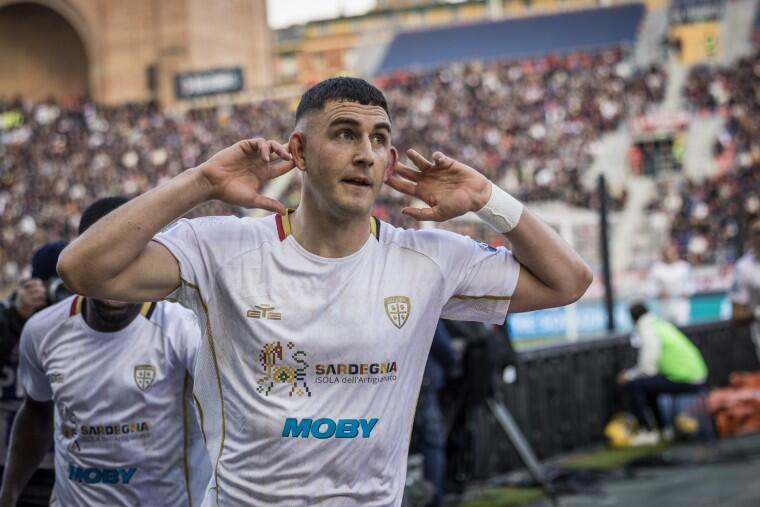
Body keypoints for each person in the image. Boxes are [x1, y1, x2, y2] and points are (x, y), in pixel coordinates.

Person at [57, 77, 592, 506]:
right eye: (344, 134)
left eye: (378, 140)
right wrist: (200, 182)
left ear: (389, 160)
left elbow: (568, 281)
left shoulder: (427, 259)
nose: (365, 154)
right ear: (299, 150)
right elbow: (84, 271)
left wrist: (487, 198)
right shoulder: (220, 248)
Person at [0, 197, 210, 507]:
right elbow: (37, 411)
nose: (115, 278)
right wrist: (8, 493)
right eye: (103, 260)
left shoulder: (184, 329)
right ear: (79, 260)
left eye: (130, 259)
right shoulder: (42, 331)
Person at [0, 242, 68, 475]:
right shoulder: (8, 313)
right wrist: (16, 316)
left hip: (62, 462)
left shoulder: (83, 317)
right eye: (56, 286)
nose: (61, 294)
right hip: (5, 460)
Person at [618, 302, 708, 444]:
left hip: (684, 378)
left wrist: (628, 375)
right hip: (697, 376)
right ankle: (663, 430)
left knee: (635, 385)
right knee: (648, 385)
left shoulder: (646, 328)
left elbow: (647, 366)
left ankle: (648, 431)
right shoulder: (659, 323)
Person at [412, 321, 459, 507]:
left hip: (405, 386)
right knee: (432, 445)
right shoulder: (419, 305)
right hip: (423, 386)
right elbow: (442, 345)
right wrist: (453, 365)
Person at [730, 215, 760, 359]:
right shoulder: (743, 268)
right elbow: (737, 314)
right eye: (758, 232)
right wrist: (757, 313)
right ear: (751, 237)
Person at [647, 242, 694, 325]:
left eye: (672, 253)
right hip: (664, 305)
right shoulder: (656, 268)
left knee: (683, 327)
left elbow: (691, 285)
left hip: (681, 304)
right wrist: (659, 293)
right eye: (667, 253)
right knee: (666, 328)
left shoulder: (684, 267)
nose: (670, 255)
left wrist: (686, 292)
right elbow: (650, 288)